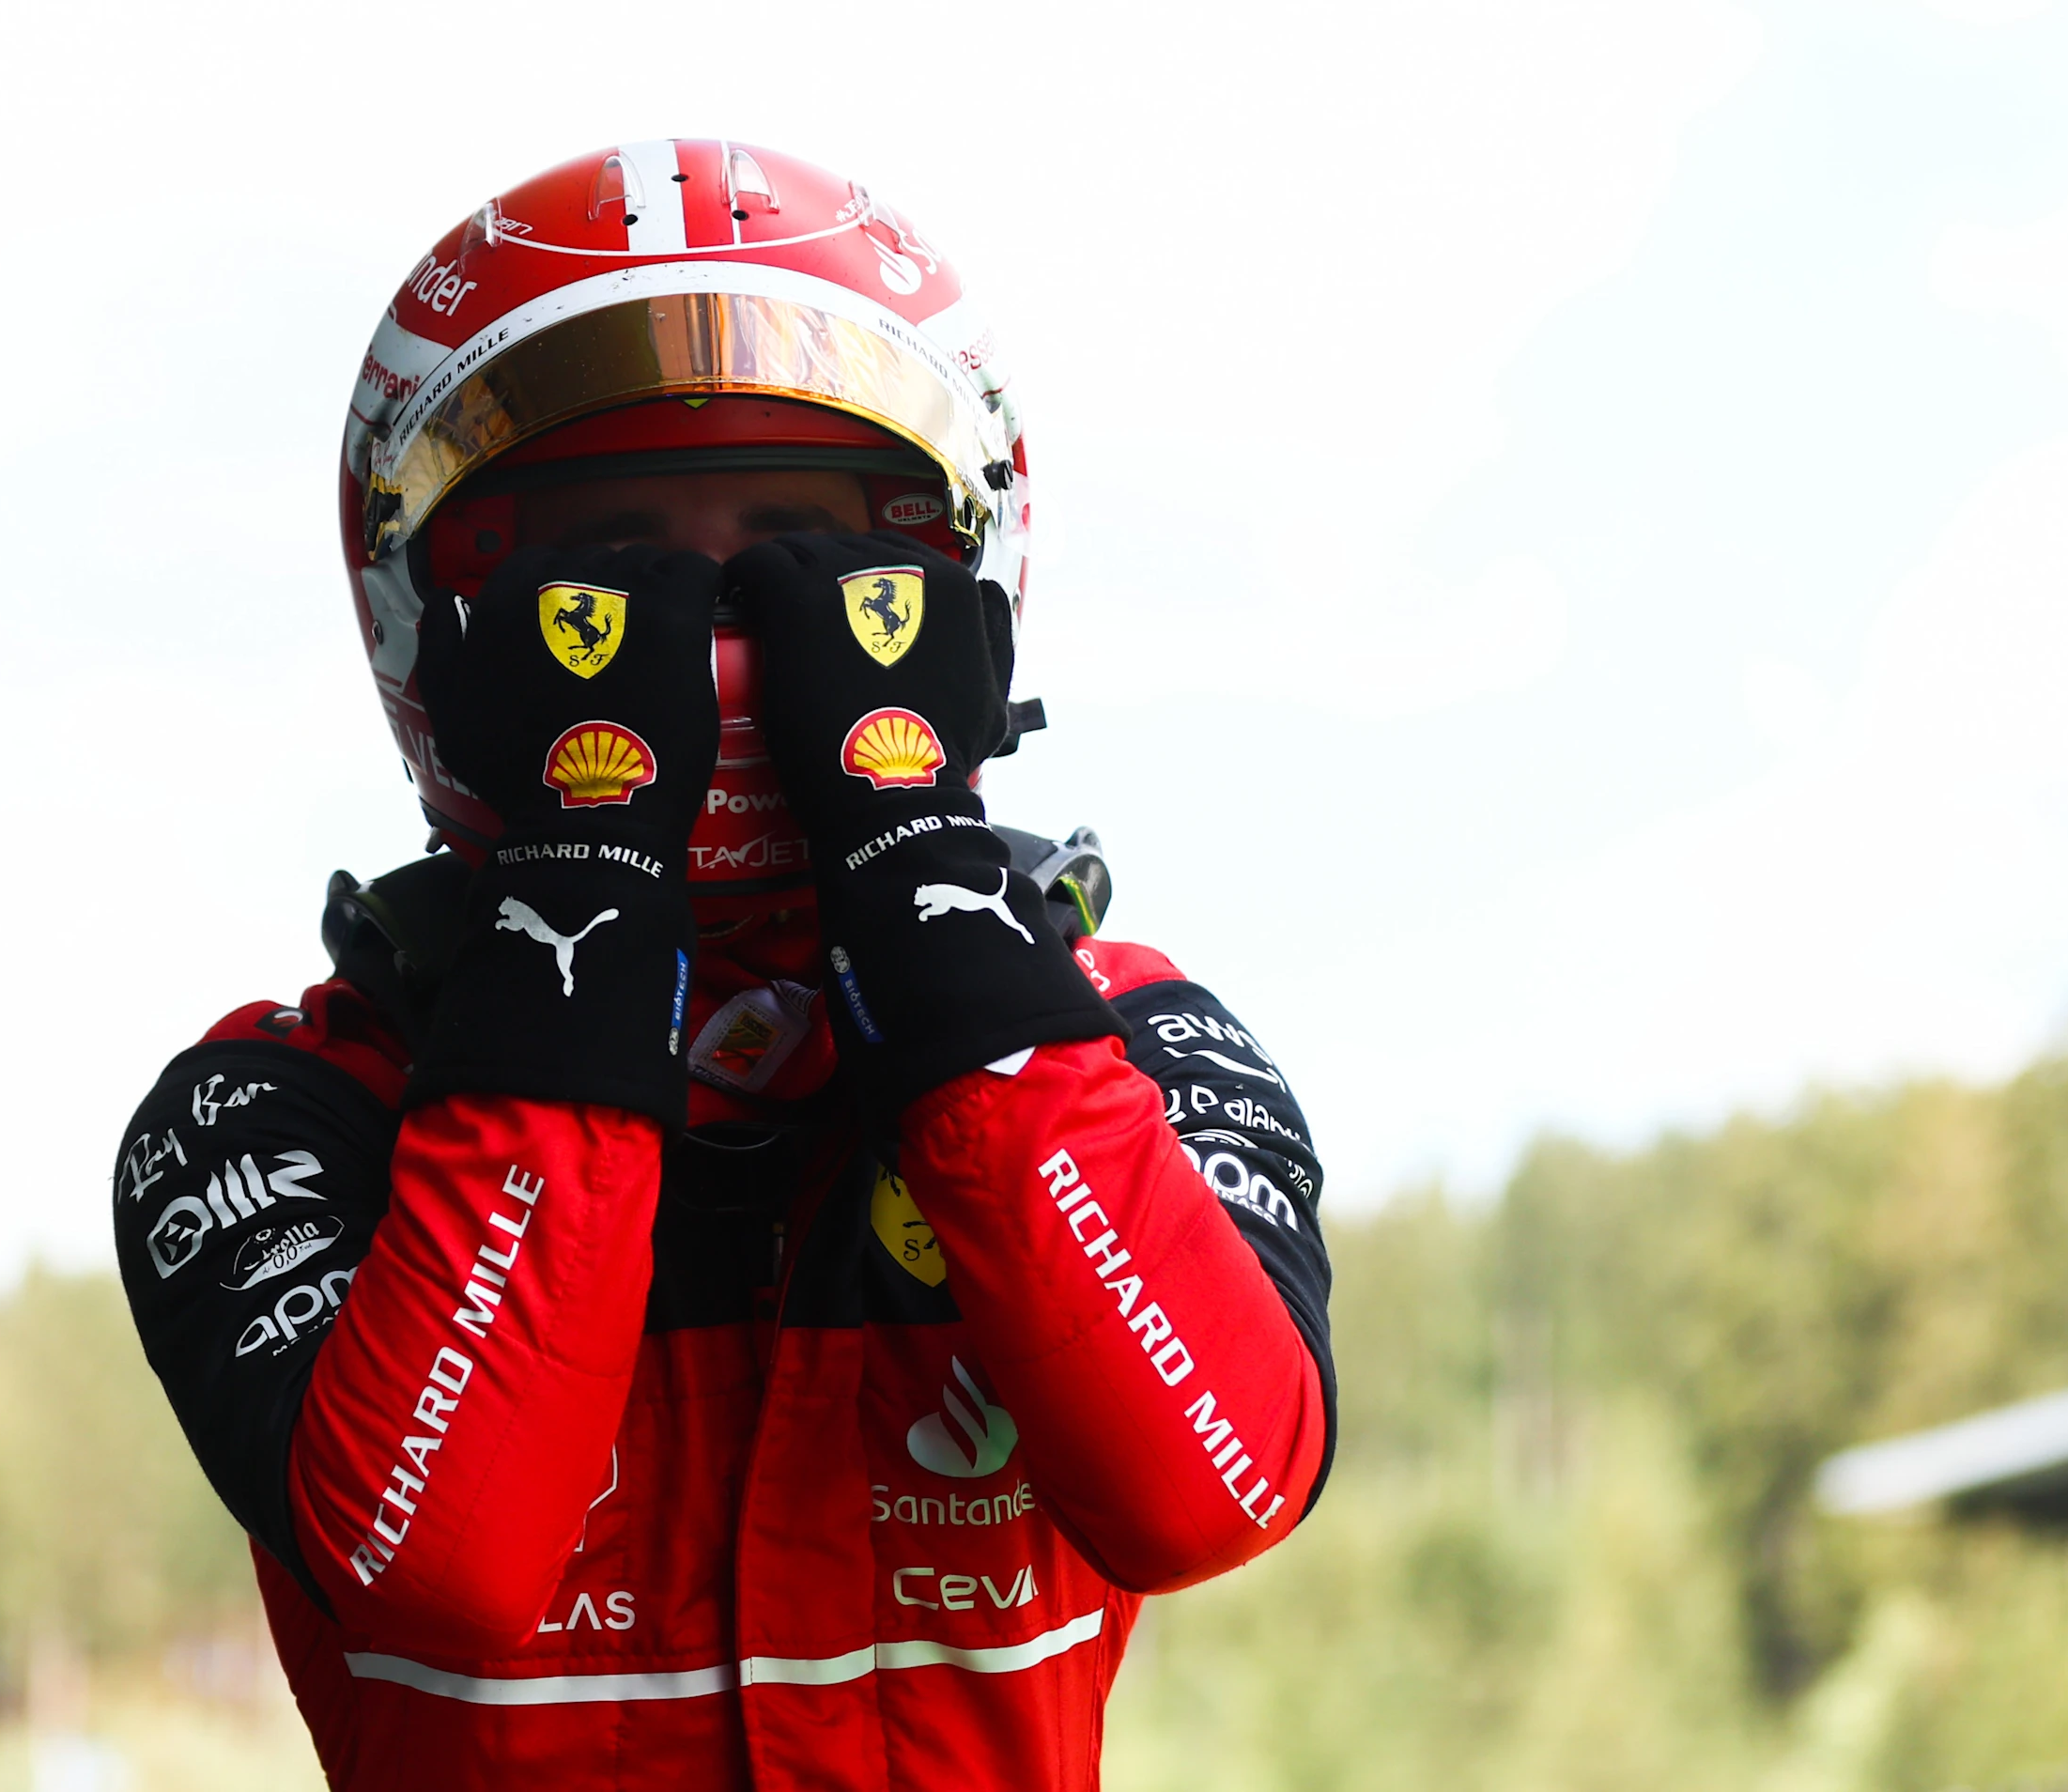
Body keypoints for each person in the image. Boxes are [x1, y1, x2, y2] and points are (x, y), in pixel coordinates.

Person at [112, 140, 1335, 1791]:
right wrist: (591, 869)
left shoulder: (1133, 1039)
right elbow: (444, 1566)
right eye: (614, 554)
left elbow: (1214, 1491)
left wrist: (918, 875)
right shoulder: (275, 1115)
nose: (710, 620)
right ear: (435, 621)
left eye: (796, 549)